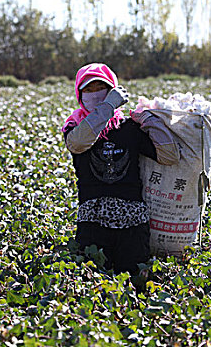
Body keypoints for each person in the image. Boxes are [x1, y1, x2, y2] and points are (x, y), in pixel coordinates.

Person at [62, 63, 179, 274]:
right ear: (79, 94)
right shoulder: (76, 126)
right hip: (92, 222)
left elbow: (169, 156)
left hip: (132, 223)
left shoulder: (129, 128)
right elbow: (77, 144)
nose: (94, 94)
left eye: (101, 88)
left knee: (135, 284)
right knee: (93, 286)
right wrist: (107, 108)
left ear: (112, 90)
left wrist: (150, 122)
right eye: (88, 90)